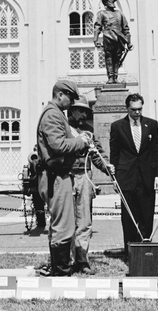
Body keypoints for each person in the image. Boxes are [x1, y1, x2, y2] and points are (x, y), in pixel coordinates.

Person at [36, 79, 92, 276]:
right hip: (55, 176)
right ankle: (61, 271)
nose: (71, 102)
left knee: (64, 224)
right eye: (70, 97)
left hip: (59, 175)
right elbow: (58, 146)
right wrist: (80, 141)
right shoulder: (52, 115)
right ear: (60, 95)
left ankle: (60, 268)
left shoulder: (55, 114)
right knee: (63, 225)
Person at [110, 93, 158, 254]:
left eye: (140, 109)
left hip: (147, 177)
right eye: (134, 110)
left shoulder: (151, 125)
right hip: (126, 178)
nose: (137, 113)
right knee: (129, 218)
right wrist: (114, 179)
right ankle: (131, 252)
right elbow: (115, 153)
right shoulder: (118, 126)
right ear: (127, 109)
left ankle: (145, 251)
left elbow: (156, 151)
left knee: (147, 216)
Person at [67, 95, 115, 274]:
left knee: (85, 221)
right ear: (71, 110)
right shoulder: (63, 128)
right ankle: (67, 260)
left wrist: (107, 167)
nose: (83, 115)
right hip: (67, 177)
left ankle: (82, 260)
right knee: (68, 221)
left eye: (86, 112)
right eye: (81, 111)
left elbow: (97, 155)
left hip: (85, 177)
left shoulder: (89, 130)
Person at [93, 0, 132, 84]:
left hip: (119, 39)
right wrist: (95, 39)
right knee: (109, 58)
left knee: (117, 58)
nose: (112, 1)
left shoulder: (120, 14)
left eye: (113, 0)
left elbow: (126, 28)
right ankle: (110, 77)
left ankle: (115, 76)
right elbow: (97, 27)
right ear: (105, 3)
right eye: (109, 0)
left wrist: (129, 42)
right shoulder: (102, 13)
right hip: (108, 37)